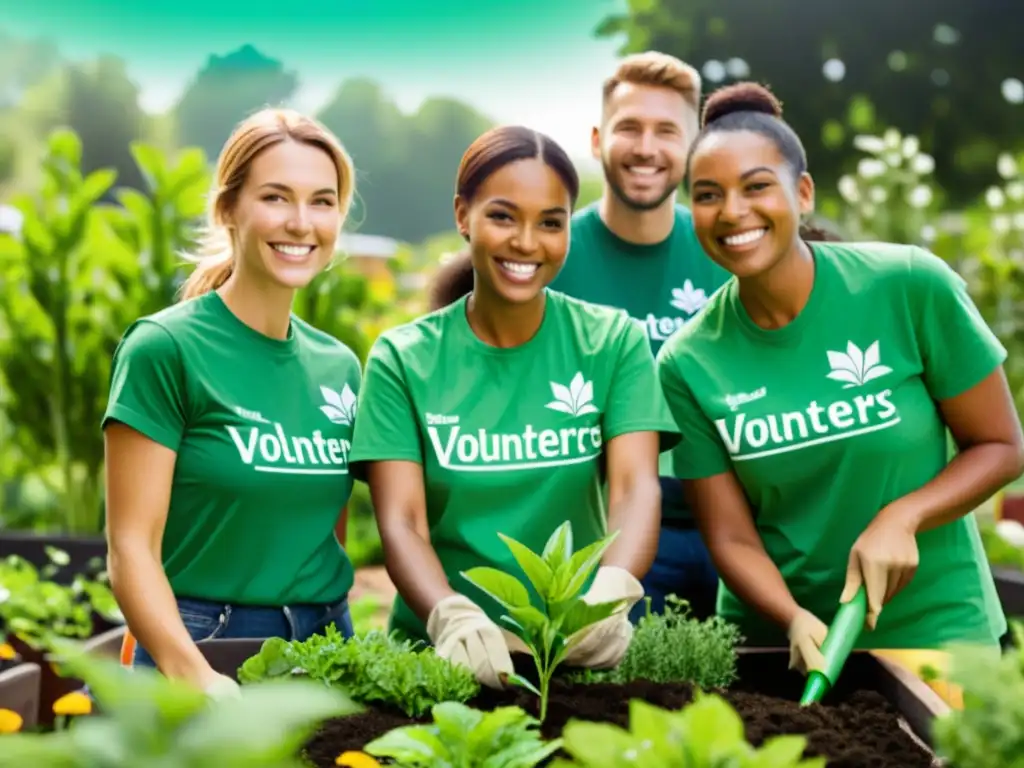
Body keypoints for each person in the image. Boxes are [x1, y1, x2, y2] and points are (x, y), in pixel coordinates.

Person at [656, 81, 1024, 703]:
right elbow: (732, 537)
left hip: (936, 633)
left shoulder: (907, 285)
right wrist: (792, 616)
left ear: (802, 193)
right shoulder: (689, 360)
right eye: (708, 196)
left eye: (756, 186)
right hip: (783, 650)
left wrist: (903, 516)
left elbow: (1000, 446)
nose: (733, 211)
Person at [348, 125, 681, 689]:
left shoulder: (610, 342)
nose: (527, 242)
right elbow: (402, 521)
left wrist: (614, 586)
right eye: (503, 216)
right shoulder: (404, 359)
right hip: (440, 660)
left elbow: (634, 489)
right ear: (463, 216)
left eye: (551, 222)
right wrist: (447, 614)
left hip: (571, 659)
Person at [102, 108, 361, 697]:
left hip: (326, 647)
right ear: (228, 210)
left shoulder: (340, 366)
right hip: (202, 643)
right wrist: (195, 674)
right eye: (276, 197)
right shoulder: (165, 349)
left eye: (322, 201)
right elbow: (130, 549)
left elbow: (325, 531)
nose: (301, 223)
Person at [549, 51, 732, 623]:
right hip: (606, 534)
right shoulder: (550, 256)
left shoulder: (732, 249)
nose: (647, 148)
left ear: (694, 143)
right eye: (629, 127)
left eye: (666, 130)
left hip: (734, 529)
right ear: (600, 138)